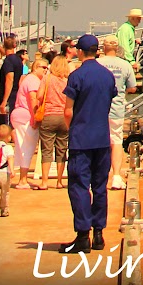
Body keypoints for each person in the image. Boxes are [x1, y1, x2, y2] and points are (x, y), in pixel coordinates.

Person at [60, 32, 118, 254]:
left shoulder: (76, 76)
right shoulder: (107, 76)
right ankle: (99, 234)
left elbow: (68, 111)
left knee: (79, 186)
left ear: (81, 52)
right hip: (102, 138)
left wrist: (71, 129)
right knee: (100, 186)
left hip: (81, 139)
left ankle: (83, 236)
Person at [97, 36, 137, 192]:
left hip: (98, 109)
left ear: (103, 48)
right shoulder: (125, 65)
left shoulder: (97, 63)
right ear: (118, 47)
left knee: (100, 142)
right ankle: (116, 176)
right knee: (117, 141)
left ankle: (100, 174)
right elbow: (133, 87)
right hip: (117, 108)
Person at [10, 51, 49, 189]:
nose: (46, 70)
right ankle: (23, 180)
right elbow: (33, 99)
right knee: (27, 148)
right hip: (26, 115)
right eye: (43, 67)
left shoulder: (29, 79)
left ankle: (21, 177)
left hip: (20, 114)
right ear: (35, 67)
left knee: (22, 147)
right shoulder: (33, 80)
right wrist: (35, 118)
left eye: (47, 68)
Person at [37, 55, 71, 189]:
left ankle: (44, 182)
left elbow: (39, 95)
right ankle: (59, 181)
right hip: (64, 117)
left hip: (49, 115)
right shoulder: (68, 81)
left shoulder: (47, 78)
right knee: (62, 149)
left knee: (47, 149)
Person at [0, 36, 25, 122]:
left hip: (9, 95)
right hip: (16, 93)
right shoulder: (18, 60)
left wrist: (5, 100)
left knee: (7, 122)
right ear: (15, 45)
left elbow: (9, 79)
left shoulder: (8, 61)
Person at [116, 9, 143, 77]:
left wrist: (134, 41)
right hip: (123, 63)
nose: (140, 21)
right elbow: (124, 48)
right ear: (132, 18)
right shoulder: (125, 29)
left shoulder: (129, 28)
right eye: (138, 19)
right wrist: (132, 62)